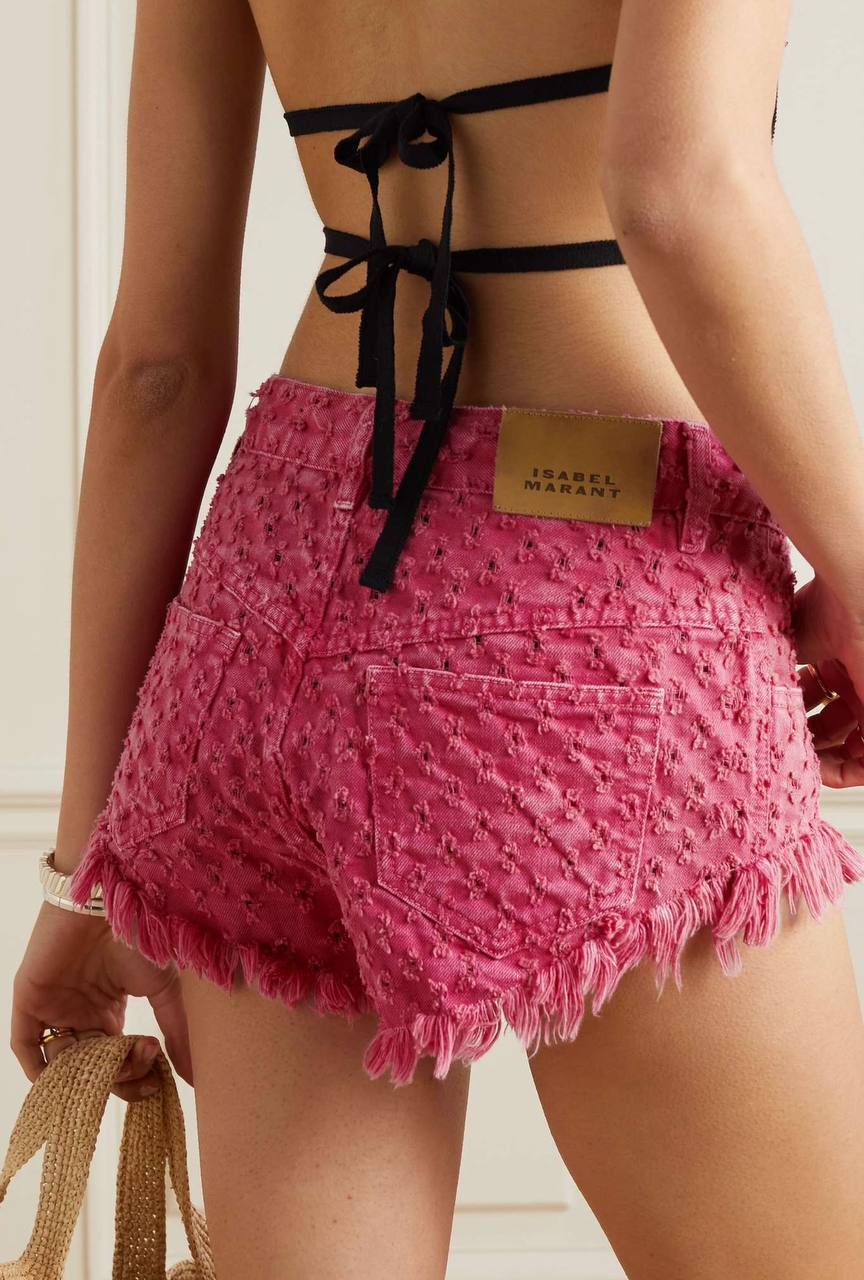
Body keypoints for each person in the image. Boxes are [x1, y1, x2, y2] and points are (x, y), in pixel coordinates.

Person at [10, 1, 864, 1276]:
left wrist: (91, 861)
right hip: (598, 606)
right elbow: (680, 188)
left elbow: (156, 367)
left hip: (266, 600)